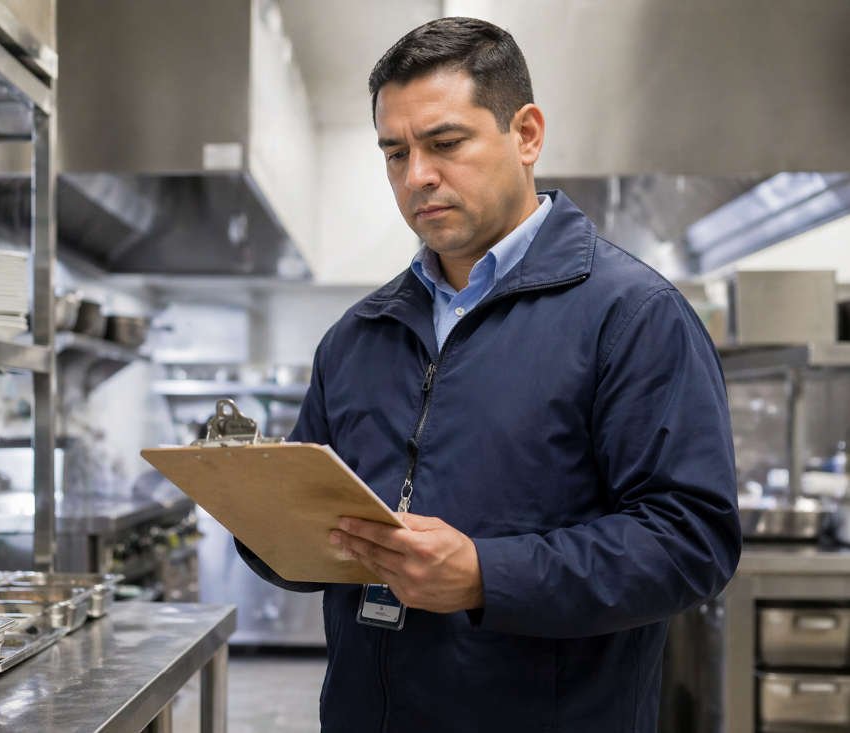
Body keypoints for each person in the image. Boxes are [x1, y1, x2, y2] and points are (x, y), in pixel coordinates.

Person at [236, 16, 741, 732]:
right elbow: (306, 537)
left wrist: (484, 573)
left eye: (445, 143)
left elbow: (691, 540)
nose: (418, 176)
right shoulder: (357, 336)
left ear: (526, 134)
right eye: (394, 152)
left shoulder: (631, 316)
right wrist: (262, 526)